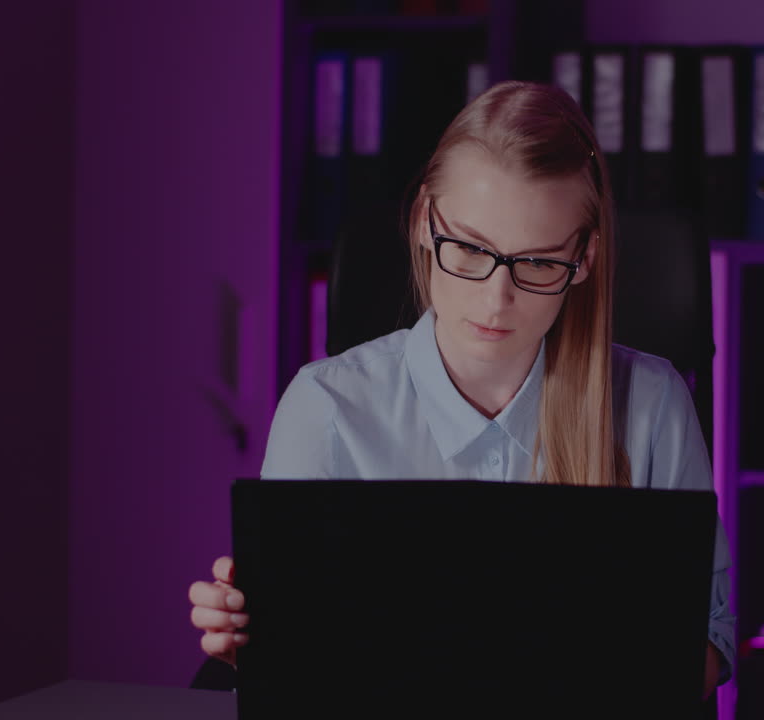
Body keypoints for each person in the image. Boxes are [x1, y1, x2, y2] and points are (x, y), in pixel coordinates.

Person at [188, 80, 735, 699]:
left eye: (537, 262)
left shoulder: (652, 406)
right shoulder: (327, 407)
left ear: (583, 258)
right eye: (470, 250)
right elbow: (297, 666)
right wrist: (252, 642)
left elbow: (706, 650)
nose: (495, 299)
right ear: (425, 223)